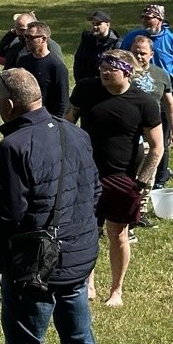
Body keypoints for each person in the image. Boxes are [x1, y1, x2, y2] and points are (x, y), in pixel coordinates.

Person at [0, 69, 100, 344]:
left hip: (34, 267)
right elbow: (94, 192)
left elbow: (9, 216)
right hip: (78, 258)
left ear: (7, 106)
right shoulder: (76, 134)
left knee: (25, 343)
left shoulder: (11, 148)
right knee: (79, 340)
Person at [67, 49, 162, 306]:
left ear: (127, 71)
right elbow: (67, 124)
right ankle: (89, 285)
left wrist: (140, 183)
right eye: (102, 67)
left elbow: (157, 148)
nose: (104, 72)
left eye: (111, 68)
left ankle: (116, 290)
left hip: (123, 178)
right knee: (86, 231)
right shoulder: (86, 90)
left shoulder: (144, 103)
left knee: (117, 234)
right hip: (86, 174)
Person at [130, 34, 173, 189]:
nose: (139, 56)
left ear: (151, 55)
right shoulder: (123, 72)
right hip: (127, 131)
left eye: (143, 53)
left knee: (146, 176)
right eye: (135, 52)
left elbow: (169, 104)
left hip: (150, 130)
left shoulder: (161, 74)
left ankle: (141, 207)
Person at [15, 22, 70, 118]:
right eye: (26, 37)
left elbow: (62, 101)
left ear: (43, 39)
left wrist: (55, 124)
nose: (26, 40)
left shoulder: (56, 66)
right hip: (25, 118)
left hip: (46, 119)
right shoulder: (23, 61)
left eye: (31, 37)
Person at [73, 10, 118, 84]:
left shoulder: (115, 44)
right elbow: (78, 60)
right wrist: (80, 81)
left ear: (107, 24)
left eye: (98, 24)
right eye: (93, 24)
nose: (95, 27)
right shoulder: (87, 39)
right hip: (85, 84)